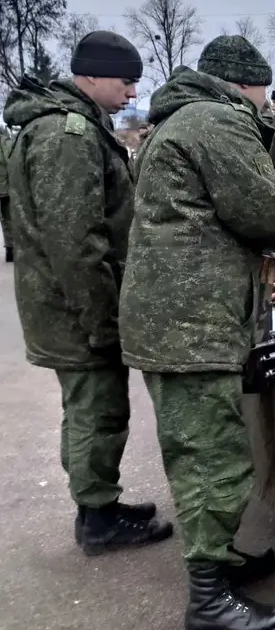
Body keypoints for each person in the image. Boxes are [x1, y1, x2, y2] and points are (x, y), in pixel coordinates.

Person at [120, 35, 275, 629]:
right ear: (243, 84)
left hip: (182, 318)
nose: (264, 101)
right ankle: (209, 600)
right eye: (262, 89)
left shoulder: (181, 119)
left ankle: (220, 558)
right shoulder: (215, 120)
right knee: (211, 459)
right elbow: (260, 206)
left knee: (205, 449)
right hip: (192, 324)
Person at [2, 32, 173, 554]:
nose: (132, 93)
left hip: (68, 303)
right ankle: (98, 519)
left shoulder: (70, 126)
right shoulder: (67, 135)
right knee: (96, 411)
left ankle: (98, 505)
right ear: (91, 76)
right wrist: (102, 321)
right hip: (75, 308)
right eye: (125, 81)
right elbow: (76, 242)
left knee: (95, 409)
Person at [0, 124, 13, 262]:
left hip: (5, 187)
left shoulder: (5, 139)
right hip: (6, 187)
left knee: (8, 219)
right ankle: (11, 249)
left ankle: (11, 249)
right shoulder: (5, 139)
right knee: (8, 219)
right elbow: (10, 160)